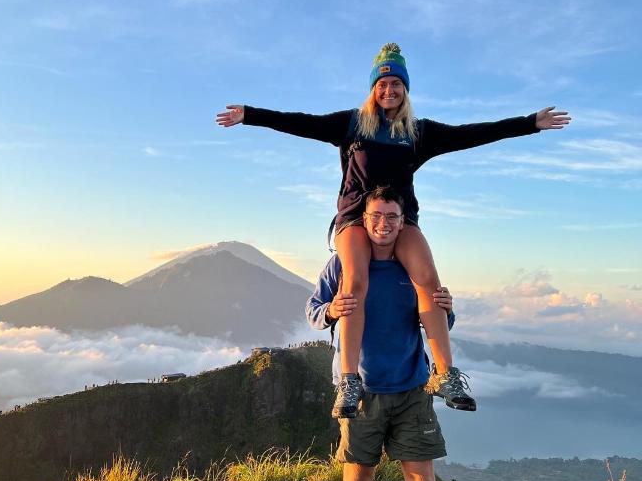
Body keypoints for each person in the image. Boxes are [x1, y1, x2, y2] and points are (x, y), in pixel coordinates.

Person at [216, 42, 571, 419]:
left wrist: (531, 123)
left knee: (429, 282)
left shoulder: (419, 132)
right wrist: (250, 115)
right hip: (355, 218)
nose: (389, 91)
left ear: (405, 90)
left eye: (396, 84)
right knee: (354, 282)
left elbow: (473, 134)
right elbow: (301, 122)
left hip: (401, 220)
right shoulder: (352, 124)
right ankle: (350, 381)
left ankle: (446, 375)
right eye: (382, 84)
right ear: (373, 89)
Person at [305, 185, 460, 481]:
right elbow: (313, 309)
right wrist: (330, 310)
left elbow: (435, 319)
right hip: (364, 393)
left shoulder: (413, 264)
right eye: (376, 216)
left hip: (411, 389)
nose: (383, 224)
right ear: (364, 218)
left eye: (392, 217)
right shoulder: (342, 263)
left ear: (402, 221)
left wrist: (447, 310)